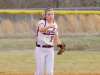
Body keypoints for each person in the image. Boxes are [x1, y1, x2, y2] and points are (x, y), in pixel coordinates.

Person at [34, 7, 61, 75]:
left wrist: (60, 45)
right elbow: (41, 29)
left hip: (50, 50)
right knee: (40, 72)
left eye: (52, 14)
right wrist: (49, 26)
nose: (51, 16)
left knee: (50, 72)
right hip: (40, 49)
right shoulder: (42, 22)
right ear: (45, 15)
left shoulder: (55, 25)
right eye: (48, 14)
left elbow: (56, 38)